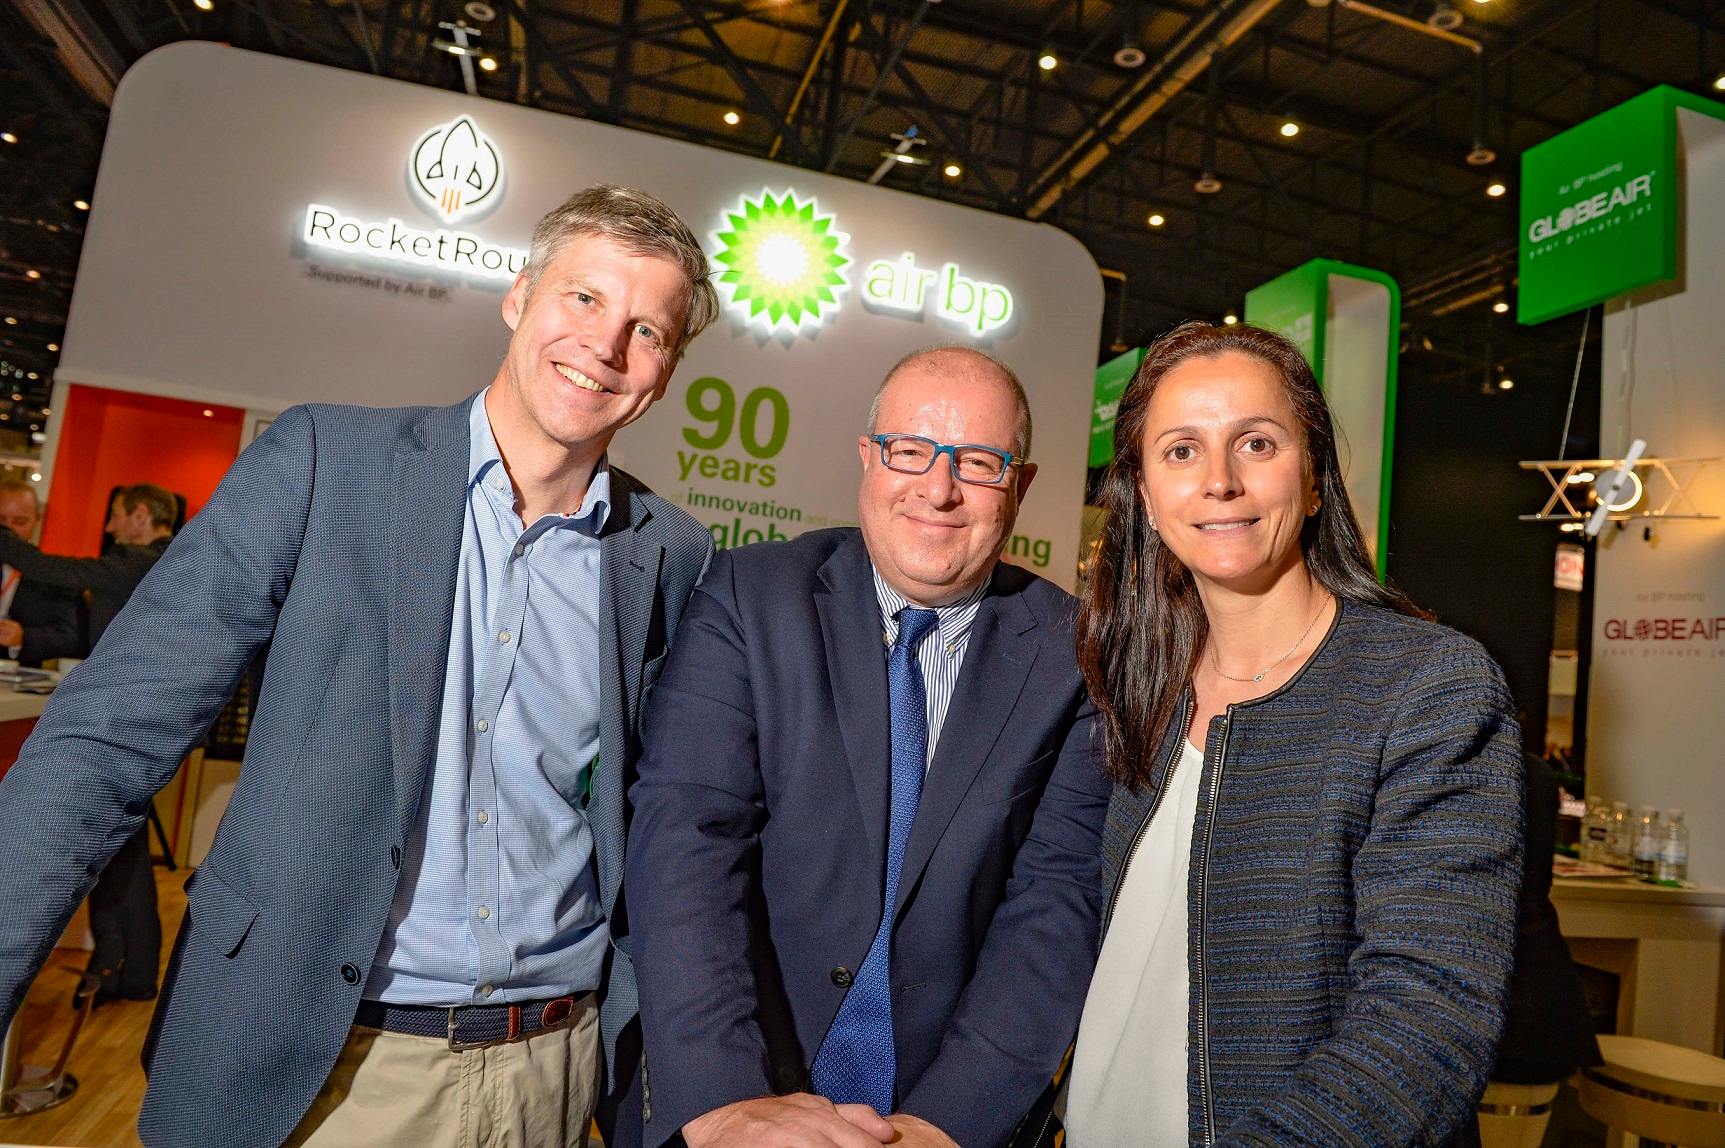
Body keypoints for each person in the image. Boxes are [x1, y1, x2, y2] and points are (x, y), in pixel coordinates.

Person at [0, 184, 719, 1148]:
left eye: (647, 329)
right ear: (519, 297)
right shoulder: (323, 463)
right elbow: (103, 744)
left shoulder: (667, 552)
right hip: (315, 1064)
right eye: (582, 298)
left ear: (665, 371)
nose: (604, 342)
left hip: (552, 1065)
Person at [626, 347, 1111, 1148]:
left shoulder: (1075, 654)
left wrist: (947, 1123)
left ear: (1020, 486)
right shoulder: (749, 599)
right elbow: (686, 845)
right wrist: (722, 1102)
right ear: (868, 458)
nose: (938, 489)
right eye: (910, 451)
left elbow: (1055, 905)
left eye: (979, 463)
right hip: (745, 1083)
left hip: (941, 1110)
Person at [1065, 320, 1523, 1148]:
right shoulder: (1139, 682)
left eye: (1257, 444)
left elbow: (1428, 1023)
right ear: (1142, 493)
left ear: (1314, 480)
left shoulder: (1427, 686)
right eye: (1179, 451)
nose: (1218, 482)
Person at [0, 481, 176, 650]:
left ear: (140, 514)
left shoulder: (136, 561)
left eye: (115, 516)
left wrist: (4, 538)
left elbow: (53, 569)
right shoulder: (176, 559)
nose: (109, 527)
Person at [0, 479, 81, 666]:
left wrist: (22, 638)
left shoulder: (53, 573)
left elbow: (70, 637)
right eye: (1, 521)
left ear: (37, 520)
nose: (8, 531)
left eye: (19, 522)